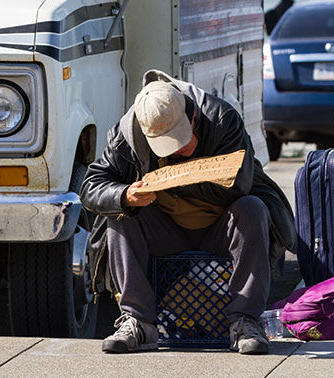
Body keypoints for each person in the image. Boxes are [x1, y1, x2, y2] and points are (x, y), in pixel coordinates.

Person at [80, 70, 296, 355]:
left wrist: (178, 178)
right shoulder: (126, 136)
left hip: (219, 225)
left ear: (191, 116)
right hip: (165, 229)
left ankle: (244, 321)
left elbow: (241, 184)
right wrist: (125, 195)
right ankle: (138, 321)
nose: (179, 148)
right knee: (119, 214)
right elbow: (91, 186)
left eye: (181, 137)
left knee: (253, 208)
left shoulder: (221, 119)